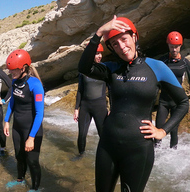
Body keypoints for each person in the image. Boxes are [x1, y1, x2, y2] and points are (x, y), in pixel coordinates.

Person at [78, 16, 189, 192]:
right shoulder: (112, 69)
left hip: (139, 149)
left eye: (124, 39)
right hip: (108, 145)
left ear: (134, 37)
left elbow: (183, 102)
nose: (121, 46)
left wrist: (163, 130)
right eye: (115, 44)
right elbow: (84, 67)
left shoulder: (156, 67)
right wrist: (99, 33)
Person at [3, 49, 45, 192]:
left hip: (32, 129)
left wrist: (31, 137)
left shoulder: (35, 84)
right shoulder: (15, 81)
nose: (11, 73)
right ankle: (20, 180)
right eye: (10, 70)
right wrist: (7, 120)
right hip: (17, 127)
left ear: (23, 68)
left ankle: (35, 188)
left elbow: (40, 113)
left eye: (13, 70)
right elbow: (12, 102)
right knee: (19, 156)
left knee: (32, 161)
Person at [154, 31, 190, 149]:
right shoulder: (162, 61)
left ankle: (173, 154)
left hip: (177, 102)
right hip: (163, 101)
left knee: (174, 130)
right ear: (168, 45)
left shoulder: (185, 62)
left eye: (176, 46)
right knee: (158, 128)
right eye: (171, 46)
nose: (174, 49)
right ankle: (155, 155)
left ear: (180, 46)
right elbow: (153, 78)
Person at [73, 43, 108, 157]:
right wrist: (76, 108)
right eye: (97, 53)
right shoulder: (84, 71)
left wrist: (111, 107)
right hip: (85, 106)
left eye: (100, 54)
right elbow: (80, 90)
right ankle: (81, 155)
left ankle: (105, 156)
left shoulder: (104, 69)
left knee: (103, 135)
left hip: (100, 107)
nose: (99, 56)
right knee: (82, 134)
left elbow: (112, 89)